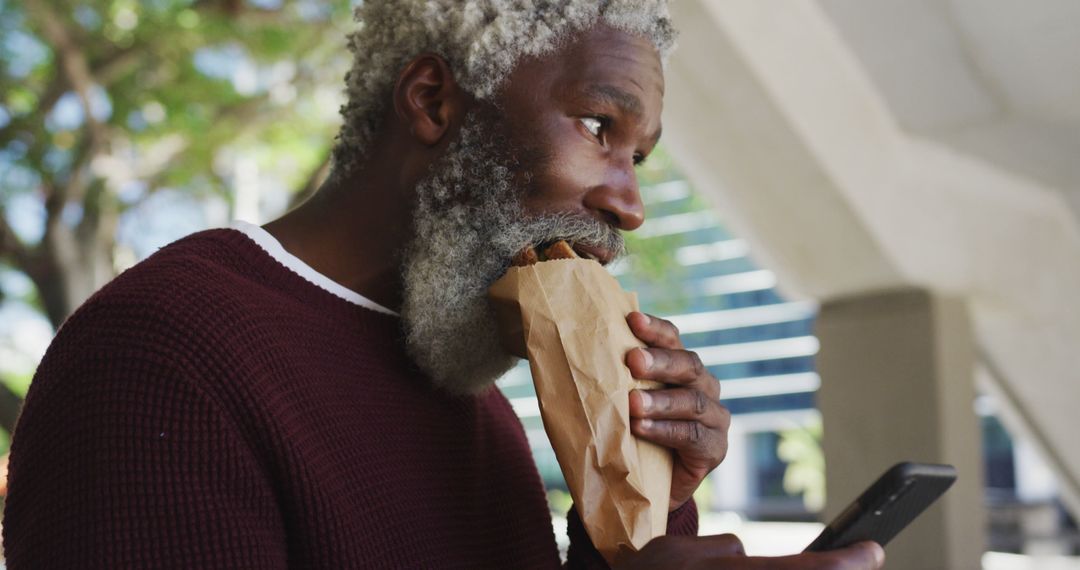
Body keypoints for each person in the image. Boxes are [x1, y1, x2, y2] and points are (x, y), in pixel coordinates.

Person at [3, 2, 885, 569]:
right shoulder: (162, 352)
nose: (632, 203)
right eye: (597, 125)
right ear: (433, 99)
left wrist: (646, 502)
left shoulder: (463, 387)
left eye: (640, 157)